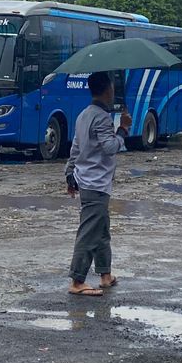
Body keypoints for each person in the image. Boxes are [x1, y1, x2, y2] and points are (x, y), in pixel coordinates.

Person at [64, 70, 130, 296]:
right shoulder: (101, 117)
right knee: (90, 232)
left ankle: (105, 275)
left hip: (87, 179)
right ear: (108, 89)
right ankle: (77, 280)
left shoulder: (84, 114)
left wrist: (69, 173)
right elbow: (110, 147)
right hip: (96, 182)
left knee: (101, 229)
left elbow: (75, 147)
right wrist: (123, 130)